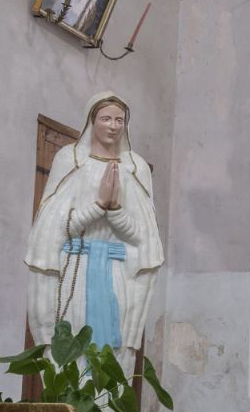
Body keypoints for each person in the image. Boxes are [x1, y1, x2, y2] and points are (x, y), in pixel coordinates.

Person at [26, 91, 164, 371]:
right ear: (92, 120)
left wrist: (115, 210)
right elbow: (54, 227)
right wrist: (98, 205)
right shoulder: (71, 160)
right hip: (75, 270)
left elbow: (143, 237)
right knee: (72, 347)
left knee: (113, 349)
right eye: (106, 119)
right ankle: (72, 399)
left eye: (119, 120)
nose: (113, 126)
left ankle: (107, 401)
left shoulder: (135, 168)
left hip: (116, 274)